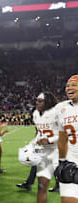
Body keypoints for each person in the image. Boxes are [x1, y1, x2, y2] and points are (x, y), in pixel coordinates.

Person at [56, 75, 78, 203]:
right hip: (71, 162)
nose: (69, 88)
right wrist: (62, 161)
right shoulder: (61, 108)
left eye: (74, 85)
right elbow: (62, 138)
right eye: (67, 86)